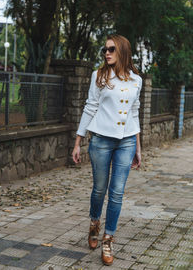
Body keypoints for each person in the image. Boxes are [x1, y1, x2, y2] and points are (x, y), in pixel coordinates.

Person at [72, 34, 142, 266]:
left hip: (127, 141)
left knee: (117, 192)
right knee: (99, 189)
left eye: (111, 49)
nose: (106, 53)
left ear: (122, 50)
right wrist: (78, 141)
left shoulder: (136, 80)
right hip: (100, 140)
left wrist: (138, 148)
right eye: (104, 49)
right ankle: (94, 221)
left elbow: (134, 113)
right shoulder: (99, 76)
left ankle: (108, 238)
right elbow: (90, 107)